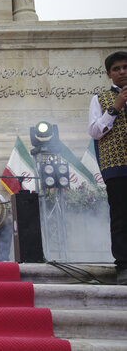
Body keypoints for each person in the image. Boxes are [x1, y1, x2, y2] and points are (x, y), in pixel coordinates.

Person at [88, 51, 127, 285]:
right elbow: (94, 131)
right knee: (121, 217)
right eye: (117, 69)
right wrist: (115, 107)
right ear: (108, 74)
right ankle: (123, 265)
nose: (122, 72)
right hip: (117, 166)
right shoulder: (100, 99)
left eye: (125, 67)